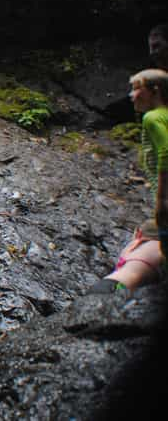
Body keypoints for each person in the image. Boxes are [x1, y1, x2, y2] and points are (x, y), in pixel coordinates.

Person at [88, 68, 168, 293]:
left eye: (136, 90)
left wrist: (162, 201)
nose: (131, 96)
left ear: (155, 91)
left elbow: (166, 154)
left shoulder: (153, 118)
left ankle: (112, 292)